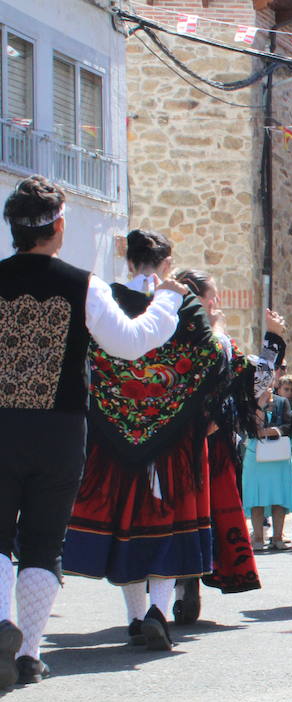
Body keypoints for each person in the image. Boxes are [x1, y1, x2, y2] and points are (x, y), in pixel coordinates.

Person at [0, 179, 185, 688]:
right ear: (57, 226)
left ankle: (0, 625)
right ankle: (28, 654)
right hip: (59, 429)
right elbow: (130, 343)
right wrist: (167, 301)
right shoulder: (83, 284)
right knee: (42, 541)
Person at [60, 231, 235, 652]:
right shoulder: (184, 303)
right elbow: (215, 358)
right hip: (173, 438)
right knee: (166, 520)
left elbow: (88, 356)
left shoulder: (108, 298)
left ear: (128, 259)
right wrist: (195, 411)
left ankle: (137, 618)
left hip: (114, 433)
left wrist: (116, 403)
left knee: (128, 522)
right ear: (167, 262)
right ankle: (157, 610)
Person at [170, 269, 285, 622]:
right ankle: (181, 587)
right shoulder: (210, 340)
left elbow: (250, 382)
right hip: (199, 445)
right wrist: (273, 340)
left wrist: (273, 342)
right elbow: (253, 381)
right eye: (212, 296)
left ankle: (180, 587)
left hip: (176, 443)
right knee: (195, 514)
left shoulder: (162, 332)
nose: (217, 303)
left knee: (180, 517)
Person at [241, 383, 292, 550]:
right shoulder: (248, 402)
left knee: (279, 496)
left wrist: (273, 431)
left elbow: (288, 425)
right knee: (257, 497)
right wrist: (261, 405)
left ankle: (278, 537)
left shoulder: (282, 402)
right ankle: (258, 538)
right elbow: (249, 426)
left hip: (279, 455)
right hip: (256, 456)